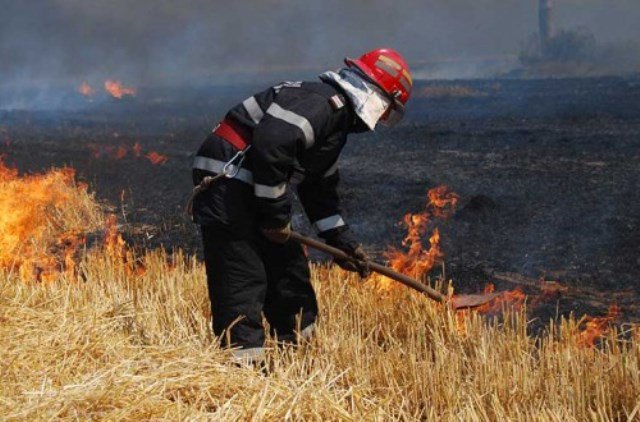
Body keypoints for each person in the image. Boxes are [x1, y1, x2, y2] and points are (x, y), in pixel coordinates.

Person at [191, 48, 413, 361]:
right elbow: (271, 146)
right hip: (226, 178)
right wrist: (274, 217)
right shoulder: (320, 103)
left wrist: (343, 243)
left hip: (251, 183)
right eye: (387, 110)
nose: (383, 118)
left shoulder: (333, 125)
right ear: (374, 96)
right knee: (242, 272)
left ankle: (296, 356)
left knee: (289, 270)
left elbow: (319, 192)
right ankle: (243, 372)